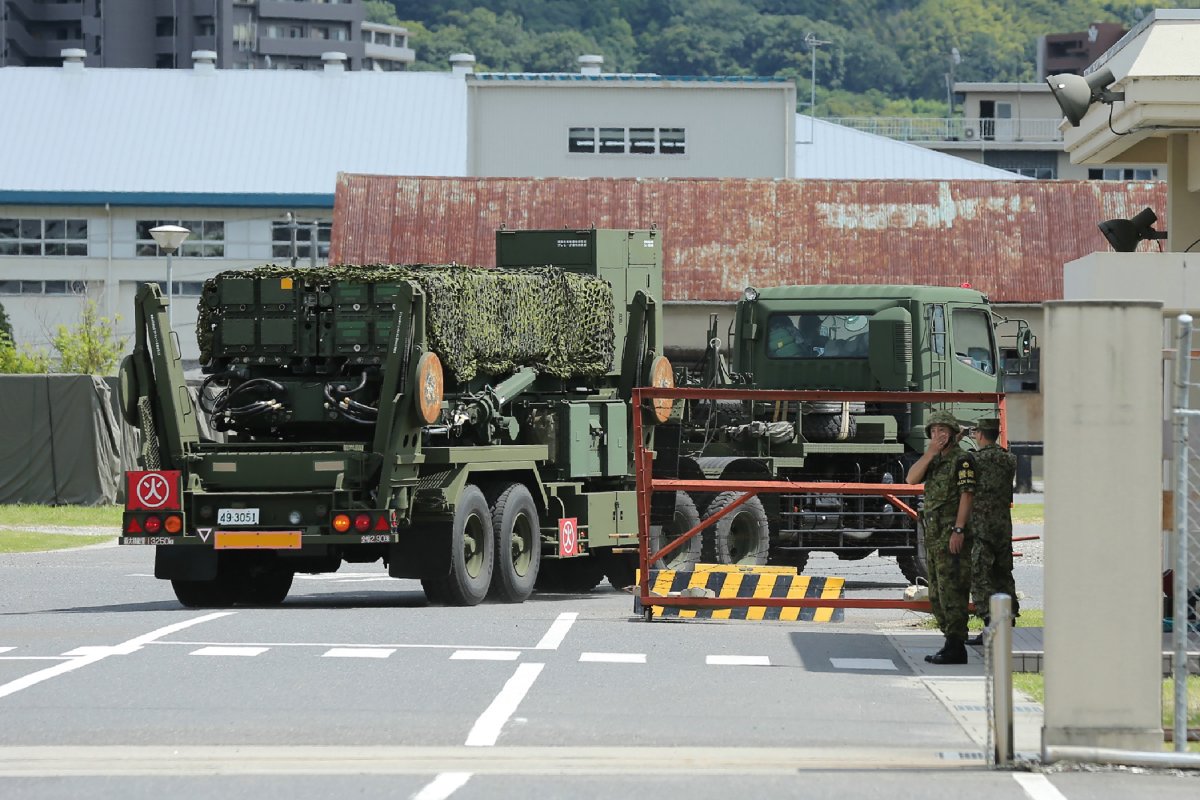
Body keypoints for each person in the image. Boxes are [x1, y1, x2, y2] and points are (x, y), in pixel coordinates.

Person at [906, 410, 976, 665]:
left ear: (954, 435)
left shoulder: (962, 460)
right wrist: (929, 454)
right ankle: (949, 642)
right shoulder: (934, 460)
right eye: (934, 432)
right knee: (936, 593)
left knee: (953, 591)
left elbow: (967, 496)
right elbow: (911, 478)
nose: (938, 436)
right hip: (934, 538)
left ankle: (957, 646)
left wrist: (958, 530)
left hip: (951, 536)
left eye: (943, 431)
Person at [967, 417, 1018, 645]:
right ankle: (1009, 617)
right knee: (1003, 572)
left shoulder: (974, 460)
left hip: (981, 524)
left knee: (981, 574)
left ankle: (990, 622)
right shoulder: (1009, 459)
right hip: (1002, 523)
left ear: (979, 434)